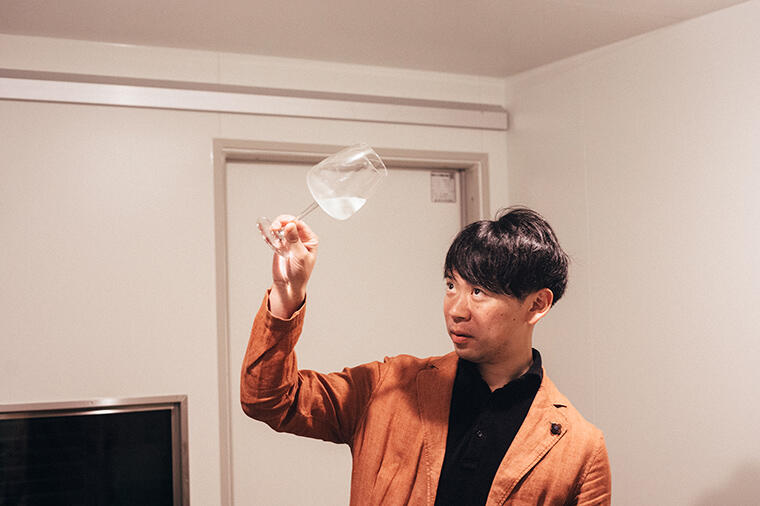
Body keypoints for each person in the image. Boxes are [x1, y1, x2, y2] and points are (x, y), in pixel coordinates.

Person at [241, 206, 612, 505]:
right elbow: (269, 400)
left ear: (537, 304)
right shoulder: (390, 387)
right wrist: (286, 294)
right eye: (451, 285)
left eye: (479, 292)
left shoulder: (579, 448)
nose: (456, 310)